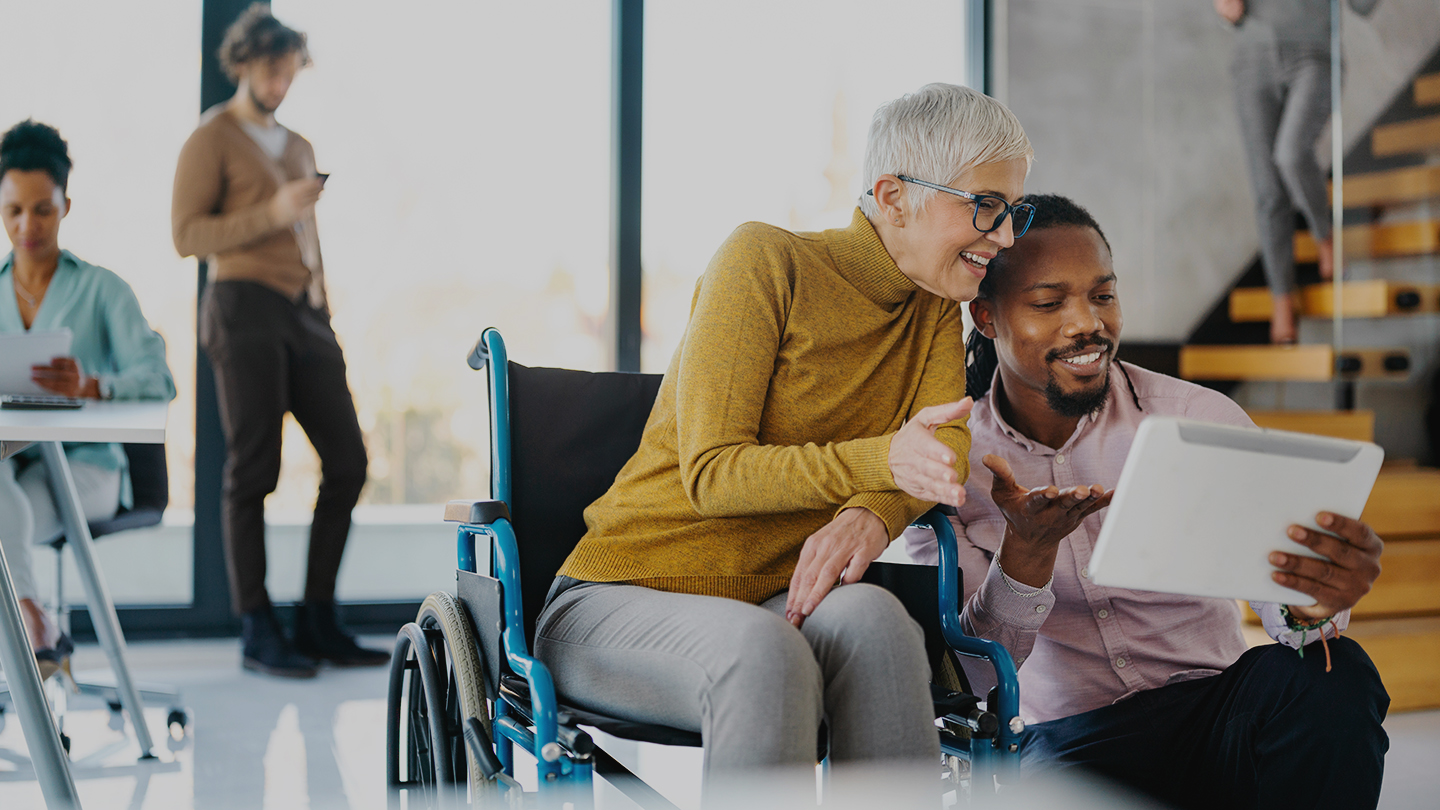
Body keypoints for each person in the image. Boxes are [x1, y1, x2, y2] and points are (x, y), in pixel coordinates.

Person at [533, 83, 1035, 795]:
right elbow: (713, 474)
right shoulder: (764, 260)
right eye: (985, 207)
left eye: (1014, 211)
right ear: (893, 198)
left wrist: (871, 511)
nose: (1006, 237)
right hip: (619, 596)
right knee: (766, 654)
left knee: (881, 627)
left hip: (777, 600)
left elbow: (940, 459)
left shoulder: (931, 309)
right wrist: (878, 462)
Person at [904, 194, 1389, 809]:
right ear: (988, 317)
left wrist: (1311, 603)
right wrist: (1026, 555)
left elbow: (1284, 608)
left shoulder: (1197, 418)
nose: (1087, 323)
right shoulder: (950, 460)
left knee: (1335, 673)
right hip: (1069, 740)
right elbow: (972, 679)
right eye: (1049, 303)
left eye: (1103, 296)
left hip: (1216, 707)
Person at [172, 3, 384, 677]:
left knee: (348, 460)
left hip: (304, 312)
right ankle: (256, 625)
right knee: (254, 468)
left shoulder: (297, 146)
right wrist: (271, 210)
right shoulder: (212, 139)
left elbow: (306, 233)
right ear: (243, 63)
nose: (280, 83)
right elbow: (187, 237)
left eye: (290, 72)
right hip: (241, 305)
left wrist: (320, 296)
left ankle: (316, 616)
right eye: (271, 70)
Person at [0, 120, 177, 680]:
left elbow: (158, 376)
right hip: (15, 467)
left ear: (65, 206)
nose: (28, 225)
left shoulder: (102, 290)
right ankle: (35, 618)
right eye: (13, 211)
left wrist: (92, 386)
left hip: (89, 470)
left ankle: (30, 622)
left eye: (43, 210)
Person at [1215, 0, 1379, 343]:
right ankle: (1282, 298)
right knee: (1268, 192)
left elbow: (1364, 6)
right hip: (1252, 60)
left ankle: (1325, 235)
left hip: (1314, 55)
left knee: (1290, 155)